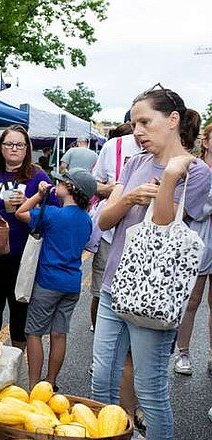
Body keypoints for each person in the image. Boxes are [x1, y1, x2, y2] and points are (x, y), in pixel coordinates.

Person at [92, 85, 211, 440]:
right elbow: (104, 221)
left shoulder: (196, 173)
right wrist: (127, 197)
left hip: (155, 298)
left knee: (150, 388)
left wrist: (172, 178)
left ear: (173, 120)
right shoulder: (136, 162)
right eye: (134, 122)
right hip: (115, 284)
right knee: (100, 376)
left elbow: (164, 223)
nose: (137, 130)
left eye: (145, 121)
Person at [15, 169, 95, 388]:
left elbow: (20, 212)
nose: (56, 184)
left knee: (34, 333)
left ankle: (34, 386)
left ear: (70, 188)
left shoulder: (52, 213)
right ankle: (51, 381)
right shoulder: (86, 220)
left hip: (48, 282)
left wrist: (39, 196)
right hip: (72, 283)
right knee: (59, 333)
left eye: (61, 182)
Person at [0, 125, 56, 350]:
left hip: (23, 254)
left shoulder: (38, 176)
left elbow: (51, 213)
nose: (14, 149)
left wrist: (28, 205)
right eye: (9, 144)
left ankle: (15, 364)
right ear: (0, 148)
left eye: (20, 145)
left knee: (19, 310)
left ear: (27, 149)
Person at [89, 121, 140, 330]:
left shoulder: (167, 152)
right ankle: (99, 338)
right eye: (138, 123)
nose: (140, 130)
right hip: (110, 234)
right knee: (101, 293)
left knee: (135, 298)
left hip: (144, 240)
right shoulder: (114, 146)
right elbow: (93, 184)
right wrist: (112, 190)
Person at [174, 122, 212, 375]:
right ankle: (183, 352)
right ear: (206, 141)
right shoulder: (194, 168)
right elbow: (183, 207)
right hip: (197, 237)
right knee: (191, 300)